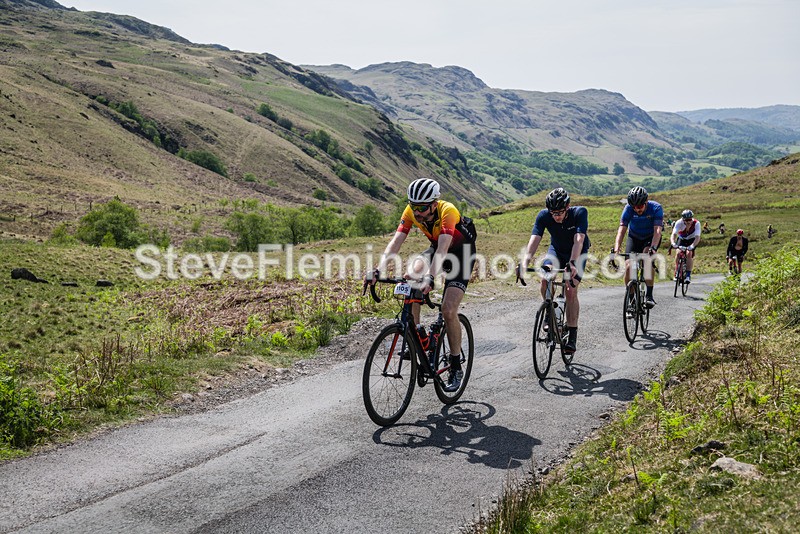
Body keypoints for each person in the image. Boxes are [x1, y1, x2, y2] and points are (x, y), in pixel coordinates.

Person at [369, 178, 477, 392]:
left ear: (434, 204)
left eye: (422, 208)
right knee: (410, 275)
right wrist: (378, 270)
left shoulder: (448, 211)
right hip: (437, 248)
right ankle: (417, 334)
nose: (416, 212)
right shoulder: (411, 211)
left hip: (461, 255)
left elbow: (444, 249)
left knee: (448, 310)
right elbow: (396, 242)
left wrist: (430, 277)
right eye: (413, 206)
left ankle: (455, 365)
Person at [518, 187, 590, 354]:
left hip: (577, 252)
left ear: (567, 207)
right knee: (545, 278)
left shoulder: (580, 213)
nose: (556, 216)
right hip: (556, 250)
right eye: (553, 213)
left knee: (570, 290)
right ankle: (549, 312)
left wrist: (572, 262)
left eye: (560, 212)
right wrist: (524, 262)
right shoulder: (543, 216)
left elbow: (579, 240)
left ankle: (572, 336)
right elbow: (535, 239)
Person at [612, 186, 663, 308]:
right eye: (634, 206)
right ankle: (631, 300)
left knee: (647, 259)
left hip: (650, 238)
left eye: (639, 206)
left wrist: (653, 248)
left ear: (646, 202)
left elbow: (657, 231)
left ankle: (649, 295)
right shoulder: (628, 209)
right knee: (629, 266)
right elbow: (621, 230)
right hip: (634, 237)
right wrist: (616, 248)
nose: (637, 209)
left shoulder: (656, 208)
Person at [670, 209, 702, 283]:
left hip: (692, 239)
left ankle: (688, 275)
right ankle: (677, 271)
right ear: (683, 219)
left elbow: (697, 237)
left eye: (690, 220)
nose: (688, 222)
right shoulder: (679, 222)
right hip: (682, 239)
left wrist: (692, 246)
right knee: (678, 253)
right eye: (686, 220)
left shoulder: (696, 223)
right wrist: (673, 243)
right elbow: (673, 234)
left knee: (689, 253)